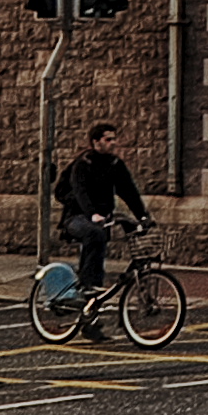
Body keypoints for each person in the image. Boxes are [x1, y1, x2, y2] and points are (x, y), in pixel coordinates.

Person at [52, 122, 148, 302]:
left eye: (114, 139)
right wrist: (92, 214)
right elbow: (80, 192)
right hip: (76, 218)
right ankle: (88, 286)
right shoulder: (83, 163)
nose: (113, 143)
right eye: (108, 139)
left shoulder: (115, 164)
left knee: (101, 242)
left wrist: (143, 216)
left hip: (100, 219)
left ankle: (91, 300)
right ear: (96, 142)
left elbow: (128, 191)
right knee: (94, 235)